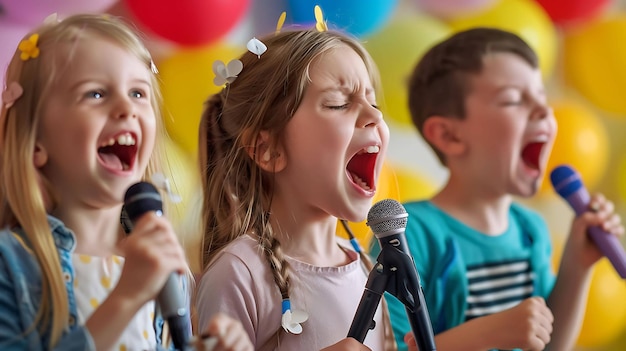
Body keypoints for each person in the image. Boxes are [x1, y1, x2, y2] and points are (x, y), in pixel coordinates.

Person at [0, 14, 251, 351]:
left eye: (138, 92)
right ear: (37, 142)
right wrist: (126, 297)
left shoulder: (156, 264)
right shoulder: (11, 262)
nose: (126, 108)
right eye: (96, 94)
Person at [373, 27, 624, 351]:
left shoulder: (530, 229)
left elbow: (549, 345)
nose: (544, 111)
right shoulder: (409, 236)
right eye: (514, 99)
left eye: (542, 97)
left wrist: (577, 266)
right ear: (449, 136)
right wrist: (486, 333)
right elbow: (388, 348)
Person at [194, 28, 395, 351]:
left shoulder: (367, 266)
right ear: (268, 149)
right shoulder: (239, 273)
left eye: (371, 101)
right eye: (338, 104)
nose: (374, 115)